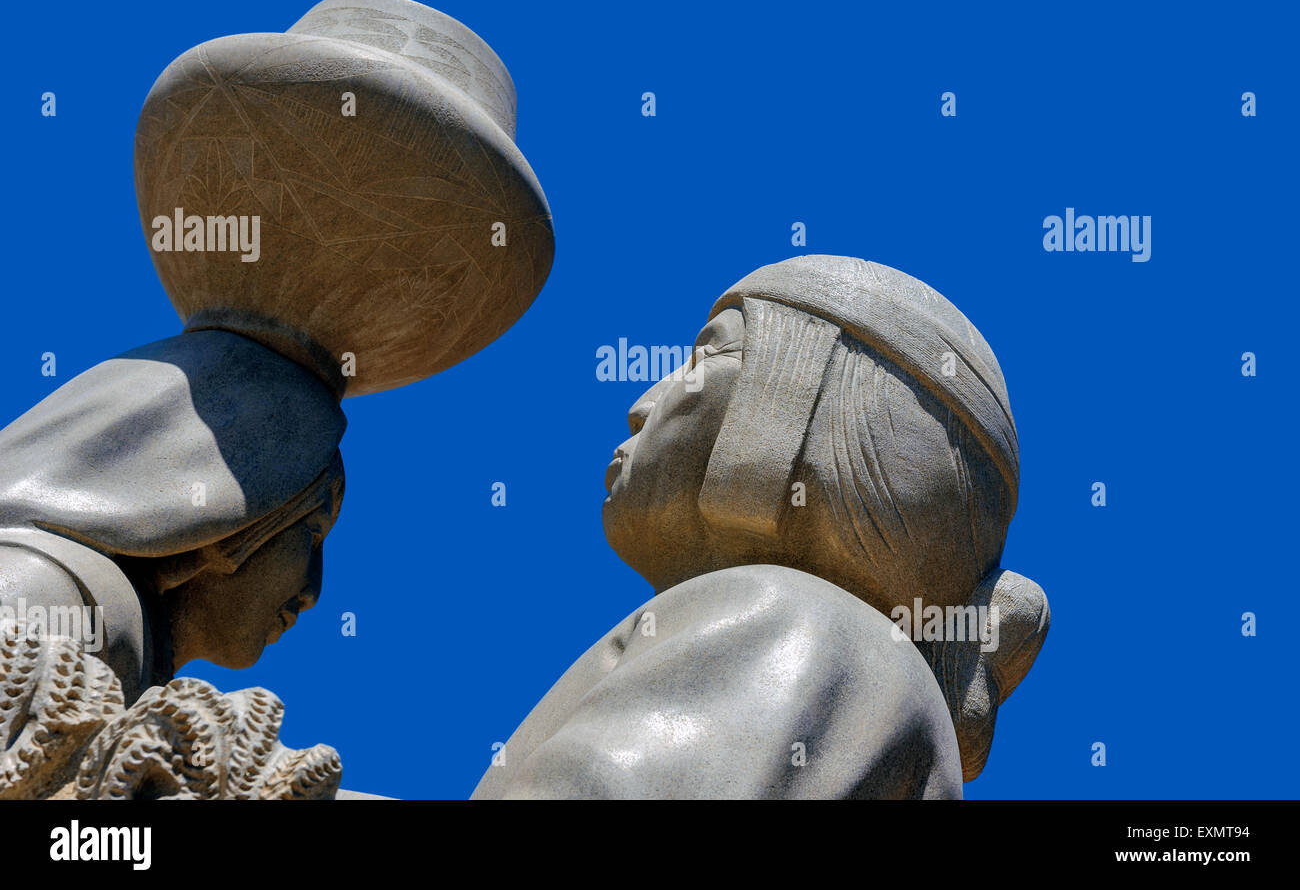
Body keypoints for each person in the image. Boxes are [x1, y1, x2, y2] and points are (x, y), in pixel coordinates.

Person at [474, 255, 1050, 799]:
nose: (643, 405)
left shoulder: (797, 616)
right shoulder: (863, 657)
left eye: (704, 356)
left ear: (798, 397)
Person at [0, 330, 344, 704]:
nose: (312, 591)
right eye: (312, 534)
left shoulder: (126, 640)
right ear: (241, 519)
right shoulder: (43, 591)